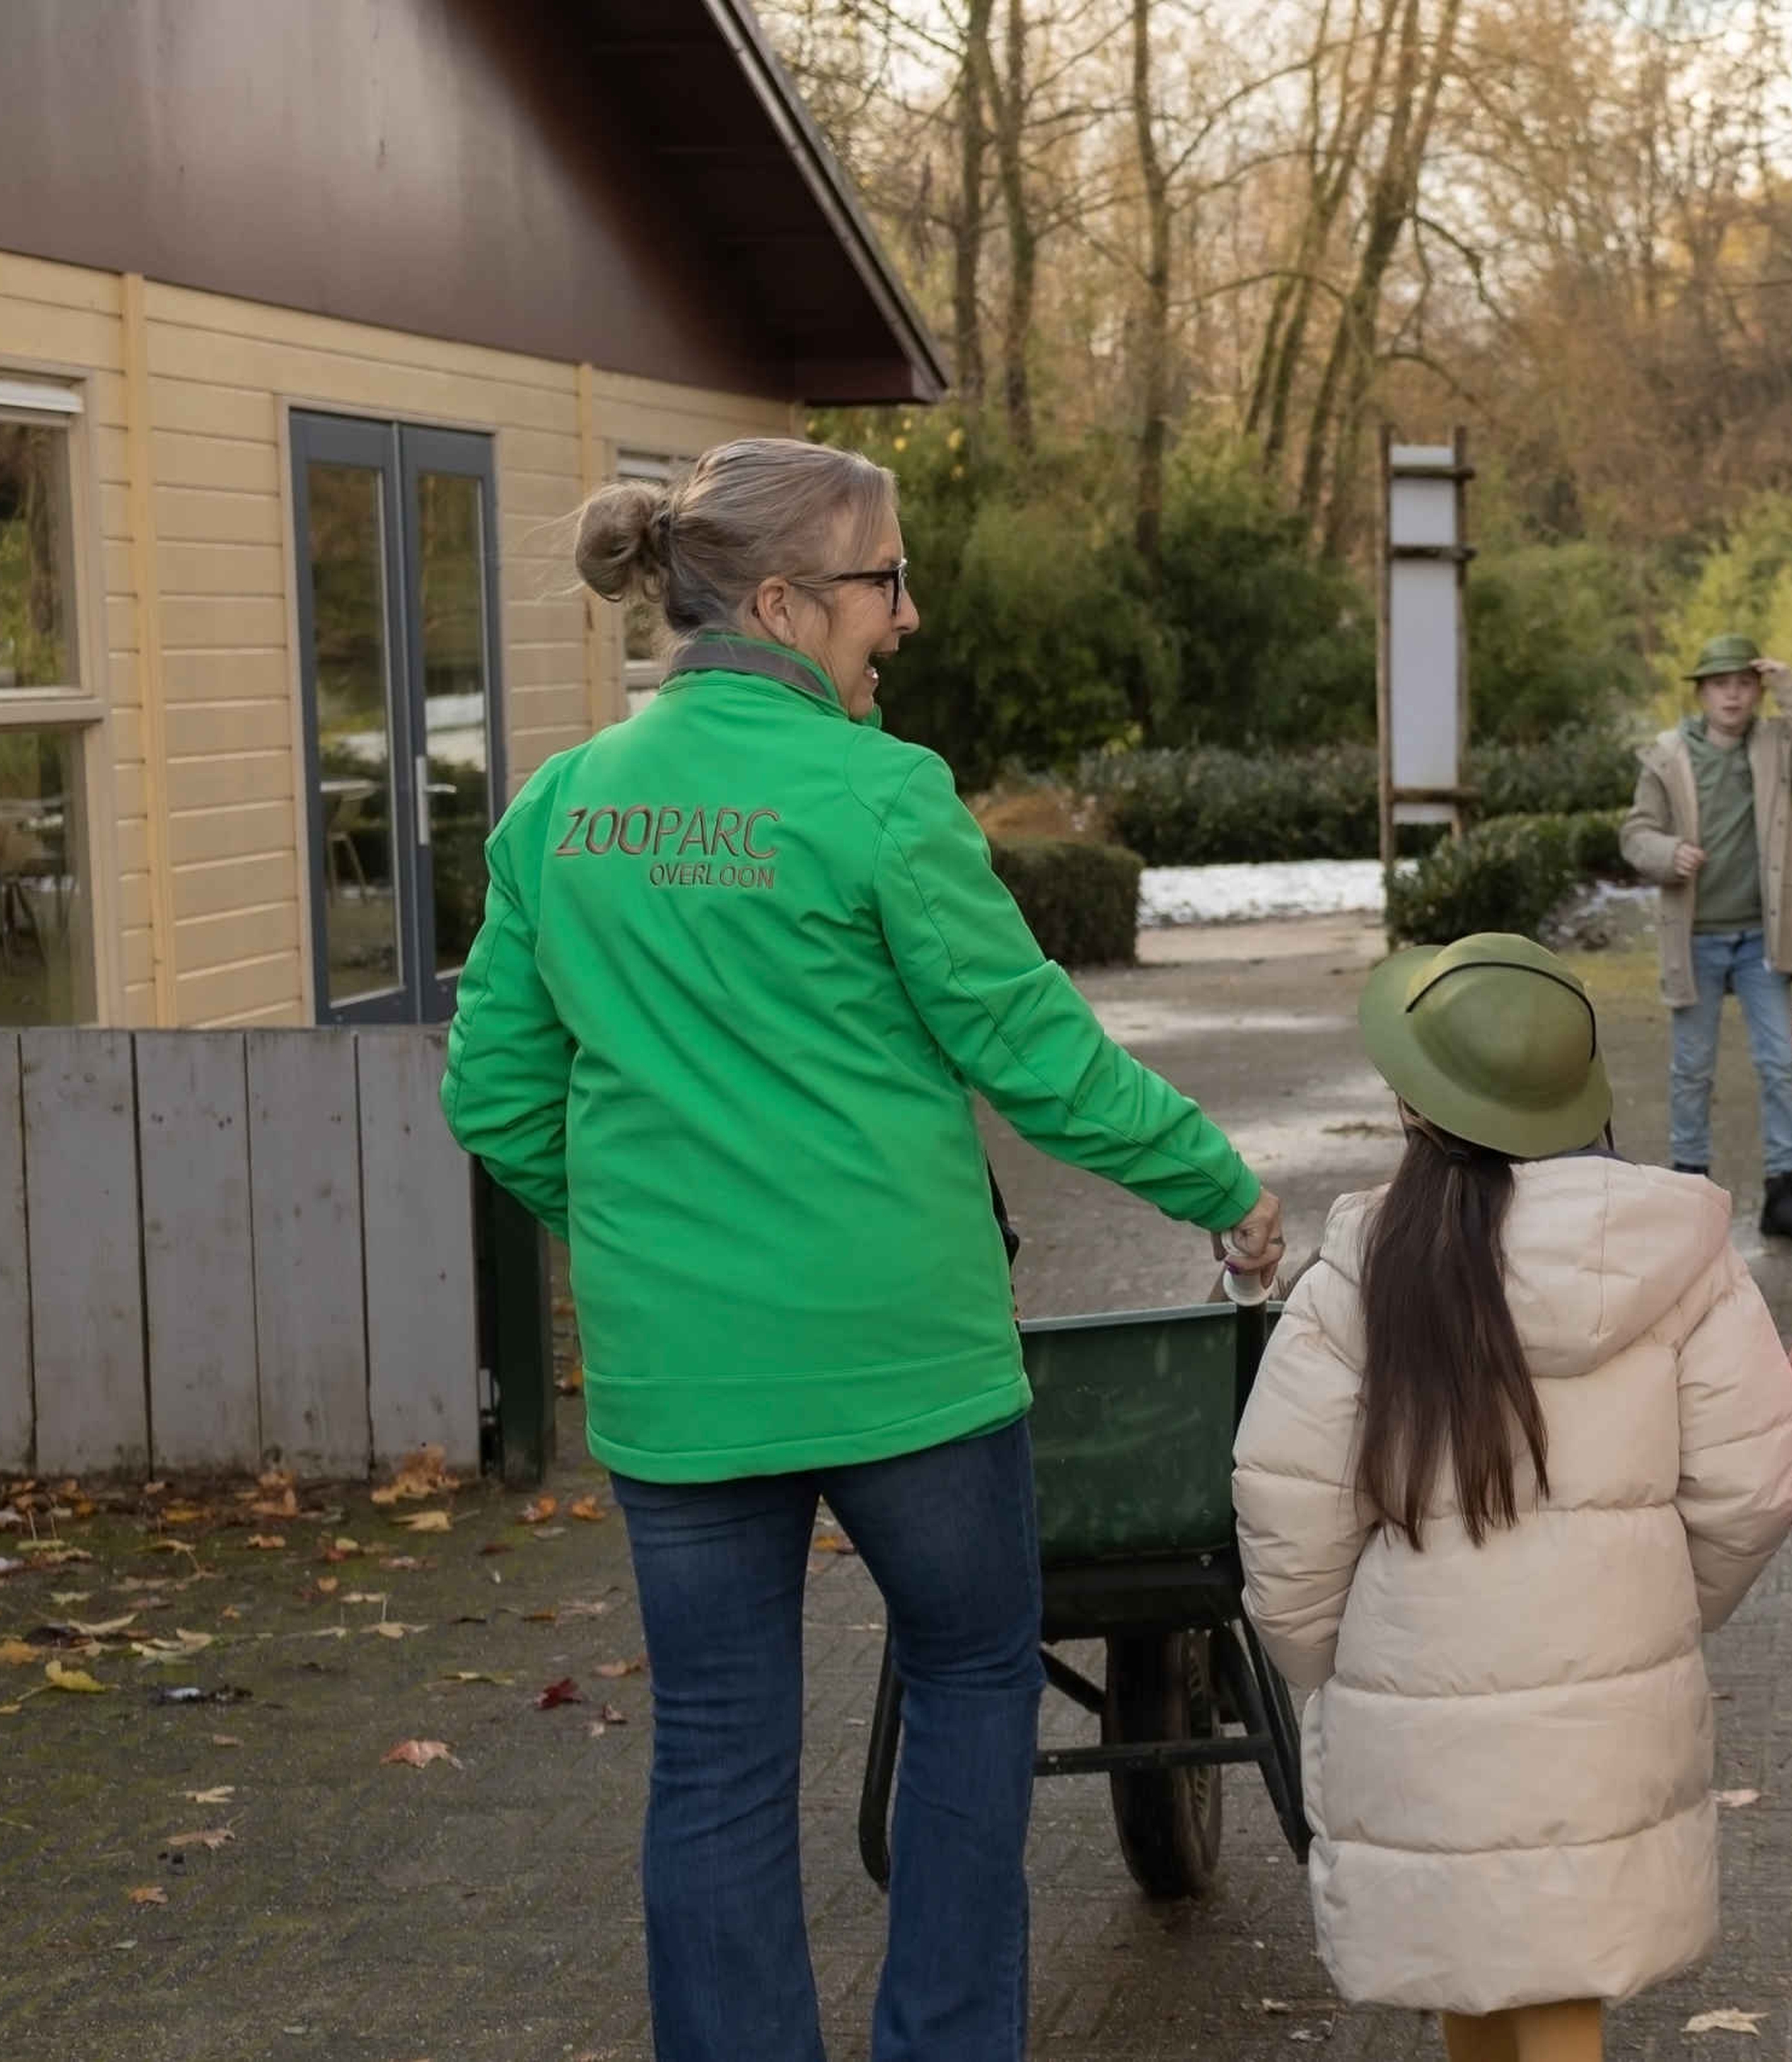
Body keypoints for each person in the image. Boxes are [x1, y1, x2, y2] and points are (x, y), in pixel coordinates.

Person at [440, 436, 1286, 2062]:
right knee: (975, 1682)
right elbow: (1032, 1053)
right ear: (778, 600)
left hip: (684, 1374)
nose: (906, 613)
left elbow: (494, 1091)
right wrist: (1216, 1181)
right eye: (882, 581)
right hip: (907, 1359)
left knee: (715, 1751)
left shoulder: (561, 810)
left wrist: (639, 1232)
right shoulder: (877, 796)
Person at [1232, 933, 1792, 2062]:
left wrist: (1333, 1668)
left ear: (1416, 1106)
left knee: (1474, 1956)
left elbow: (1286, 1513)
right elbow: (1752, 1481)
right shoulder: (1681, 1256)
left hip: (1413, 1694)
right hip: (1607, 1698)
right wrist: (1652, 1611)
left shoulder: (1362, 1270)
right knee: (1559, 1975)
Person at [1620, 632, 1792, 1243]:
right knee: (1692, 1068)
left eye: (1745, 682)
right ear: (1701, 691)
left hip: (1763, 938)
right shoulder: (1668, 756)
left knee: (1780, 1063)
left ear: (1758, 690)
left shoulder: (1777, 745)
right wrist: (1667, 852)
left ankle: (1784, 1190)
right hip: (1694, 936)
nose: (1733, 693)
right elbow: (1635, 833)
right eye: (1720, 683)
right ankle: (1687, 1187)